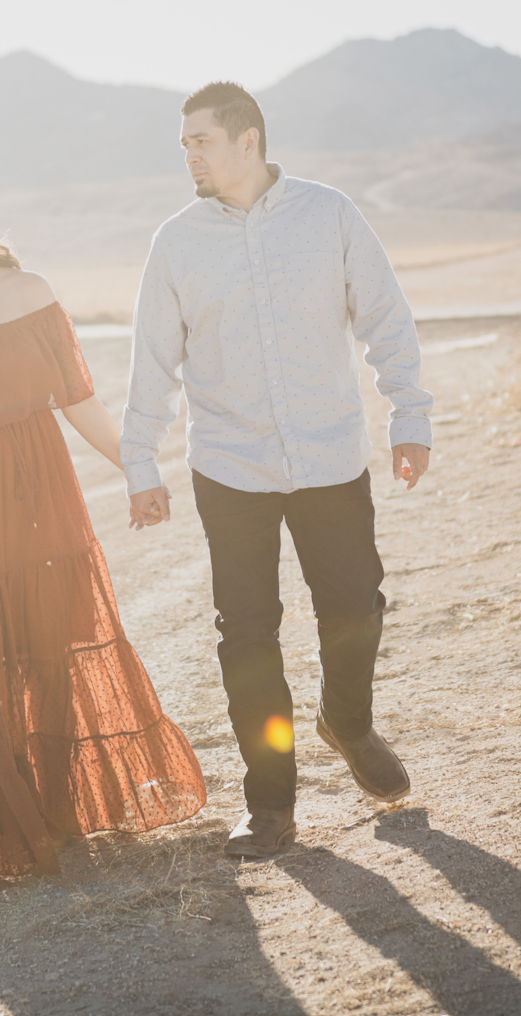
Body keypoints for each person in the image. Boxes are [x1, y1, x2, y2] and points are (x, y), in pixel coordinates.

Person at [0, 150, 206, 896]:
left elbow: (78, 402)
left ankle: (52, 816)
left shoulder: (31, 292)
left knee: (46, 659)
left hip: (39, 501)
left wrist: (139, 469)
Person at [120, 82, 433, 859]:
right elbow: (152, 361)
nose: (189, 152)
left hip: (329, 454)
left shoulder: (328, 215)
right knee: (248, 635)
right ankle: (271, 807)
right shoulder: (176, 242)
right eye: (184, 141)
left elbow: (386, 316)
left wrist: (410, 413)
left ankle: (348, 722)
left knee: (355, 604)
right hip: (230, 466)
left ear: (248, 139)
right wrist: (140, 462)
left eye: (202, 139)